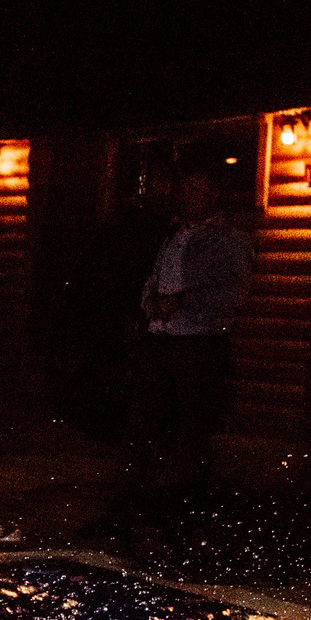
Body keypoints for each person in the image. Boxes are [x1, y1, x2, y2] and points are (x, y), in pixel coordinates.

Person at [108, 165, 253, 550]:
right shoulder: (173, 236)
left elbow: (235, 291)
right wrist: (149, 302)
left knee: (191, 432)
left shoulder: (229, 240)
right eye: (185, 190)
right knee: (141, 426)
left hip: (199, 343)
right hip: (161, 341)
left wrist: (184, 301)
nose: (189, 197)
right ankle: (124, 511)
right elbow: (153, 279)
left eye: (197, 190)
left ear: (212, 196)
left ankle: (185, 518)